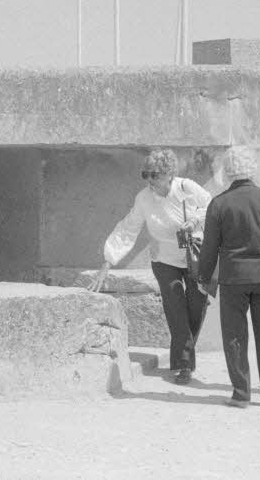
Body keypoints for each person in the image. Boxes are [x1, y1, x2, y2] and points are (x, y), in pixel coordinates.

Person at [89, 148, 212, 384]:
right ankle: (184, 364)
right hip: (164, 261)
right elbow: (128, 227)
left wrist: (195, 220)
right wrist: (108, 261)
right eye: (147, 175)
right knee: (175, 308)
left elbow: (213, 205)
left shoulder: (186, 188)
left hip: (194, 257)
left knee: (197, 305)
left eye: (154, 175)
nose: (150, 180)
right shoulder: (144, 198)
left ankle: (184, 352)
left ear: (168, 174)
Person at [197, 146, 260, 409]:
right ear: (252, 168)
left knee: (234, 336)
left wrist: (203, 276)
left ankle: (241, 394)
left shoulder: (218, 203)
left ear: (228, 172)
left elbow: (209, 246)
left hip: (233, 279)